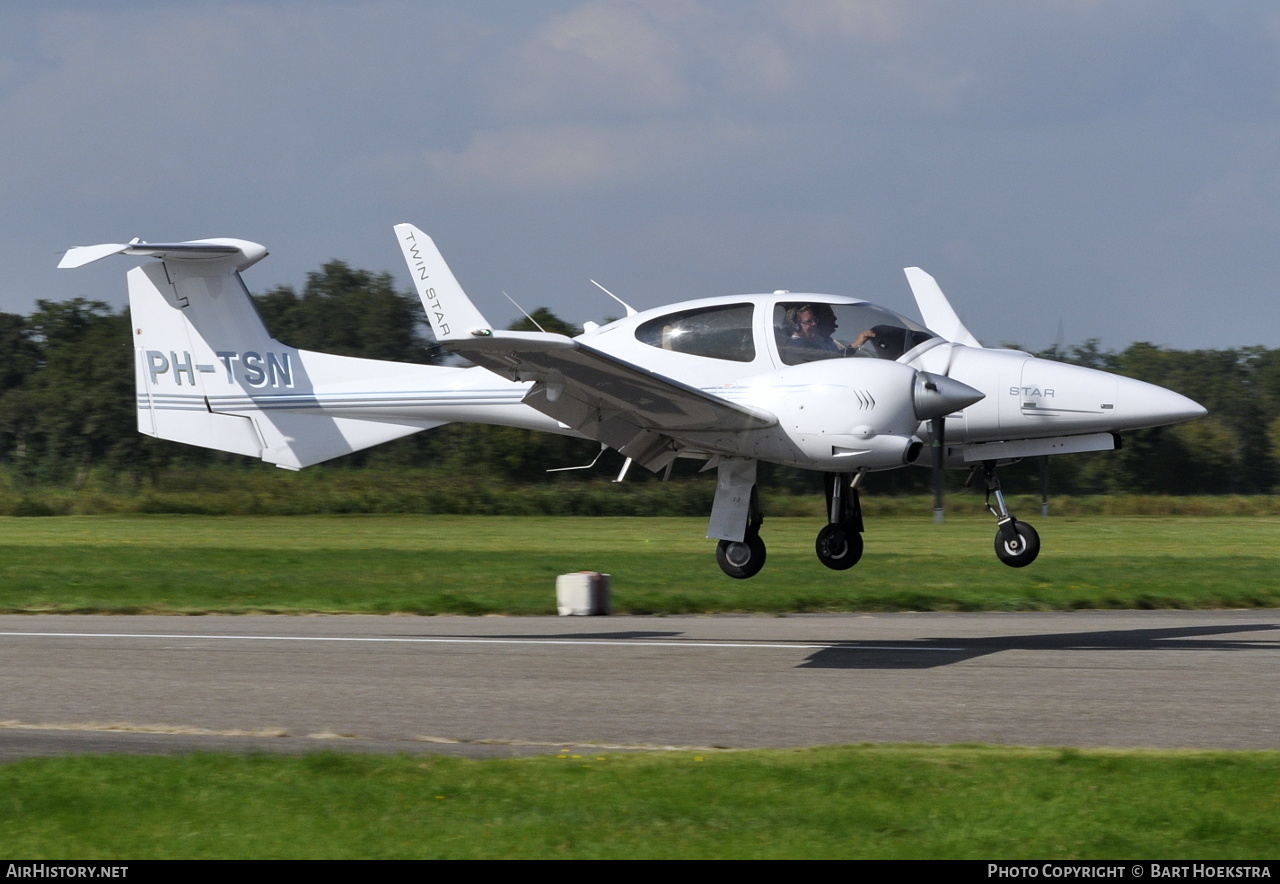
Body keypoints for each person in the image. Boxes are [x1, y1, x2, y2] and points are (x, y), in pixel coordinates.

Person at [783, 304, 875, 363]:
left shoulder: (821, 341)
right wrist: (855, 344)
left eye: (814, 320)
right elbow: (832, 360)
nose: (814, 324)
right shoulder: (798, 346)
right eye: (809, 321)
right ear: (796, 326)